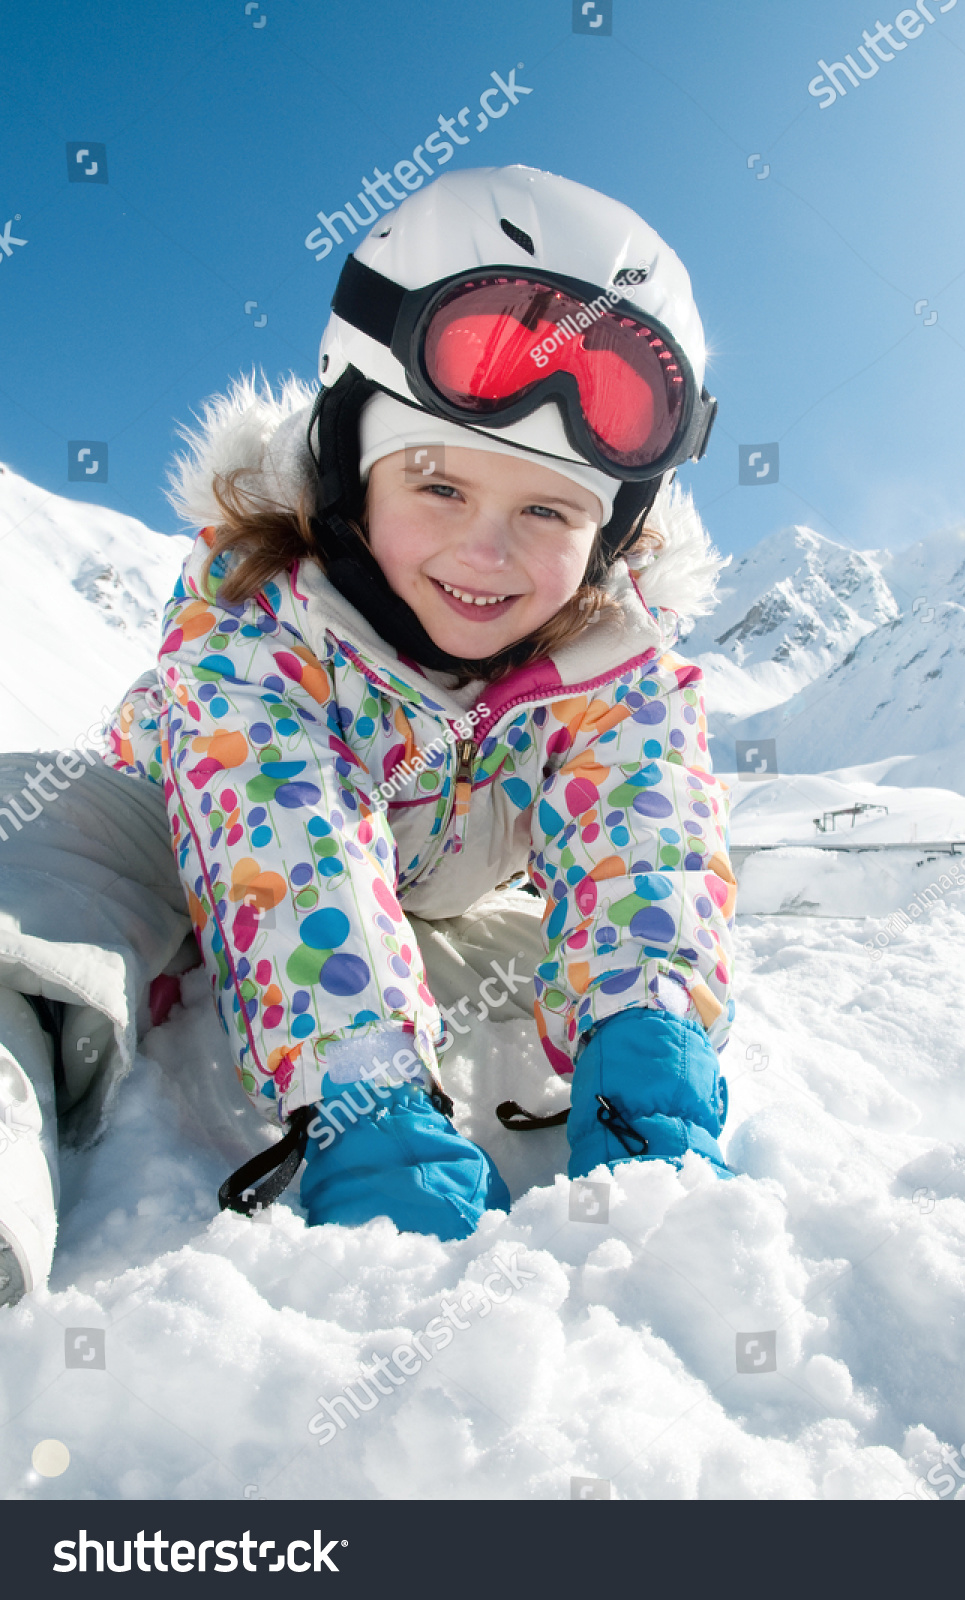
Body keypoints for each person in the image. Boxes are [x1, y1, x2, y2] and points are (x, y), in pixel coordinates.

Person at [0, 166, 735, 1305]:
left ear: (611, 536)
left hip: (427, 879)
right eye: (439, 487)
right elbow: (295, 843)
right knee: (30, 863)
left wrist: (651, 1072)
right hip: (178, 820)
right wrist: (367, 1100)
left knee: (570, 940)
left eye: (547, 511)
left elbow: (647, 841)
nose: (486, 552)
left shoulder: (612, 666)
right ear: (350, 460)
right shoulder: (260, 622)